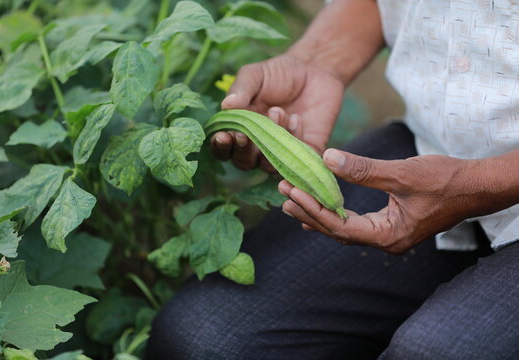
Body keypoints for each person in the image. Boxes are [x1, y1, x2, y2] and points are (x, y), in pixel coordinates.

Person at [146, 0, 519, 358]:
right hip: (429, 146)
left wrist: (483, 181)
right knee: (202, 340)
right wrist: (318, 62)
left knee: (432, 352)